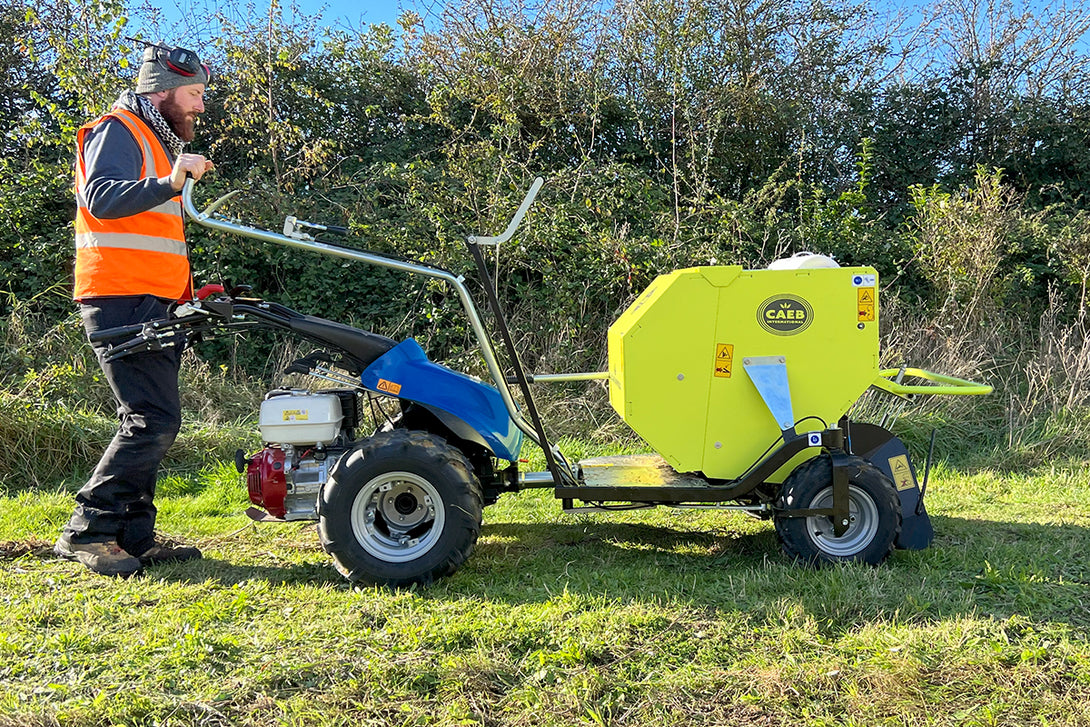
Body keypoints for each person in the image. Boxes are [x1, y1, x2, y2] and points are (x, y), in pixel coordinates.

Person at [54, 42, 216, 576]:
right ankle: (89, 530)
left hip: (152, 297)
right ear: (162, 91)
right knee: (152, 421)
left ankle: (133, 535)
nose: (199, 105)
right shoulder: (118, 129)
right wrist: (171, 180)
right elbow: (99, 197)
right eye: (193, 94)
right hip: (118, 294)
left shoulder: (157, 139)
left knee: (152, 418)